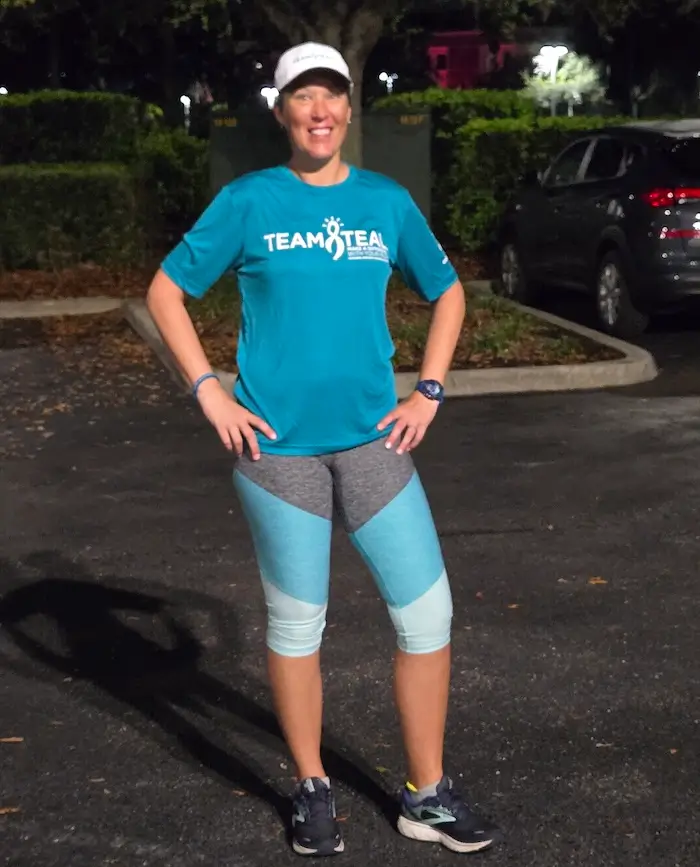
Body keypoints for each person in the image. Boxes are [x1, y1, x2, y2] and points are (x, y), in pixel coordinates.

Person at [146, 41, 502, 858]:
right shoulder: (249, 200)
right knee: (298, 623)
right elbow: (167, 291)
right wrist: (209, 391)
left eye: (332, 97)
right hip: (279, 454)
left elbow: (447, 292)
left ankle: (427, 795)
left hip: (376, 442)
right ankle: (312, 785)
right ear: (280, 112)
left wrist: (431, 390)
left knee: (427, 614)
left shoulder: (385, 201)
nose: (319, 111)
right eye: (302, 97)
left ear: (348, 109)